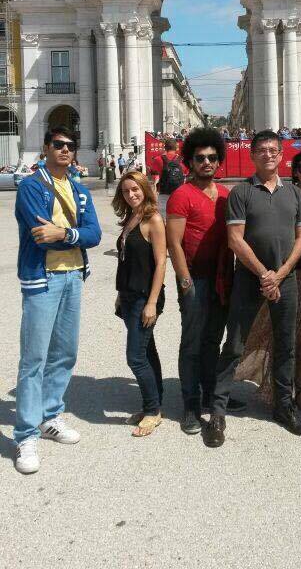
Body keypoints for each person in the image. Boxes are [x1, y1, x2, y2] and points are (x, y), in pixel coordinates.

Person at [203, 130, 301, 448]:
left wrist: (281, 273)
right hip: (250, 280)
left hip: (286, 280)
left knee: (286, 345)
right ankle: (217, 412)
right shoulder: (242, 192)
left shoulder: (295, 193)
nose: (268, 155)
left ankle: (283, 406)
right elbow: (235, 239)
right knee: (234, 345)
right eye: (261, 150)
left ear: (281, 155)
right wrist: (265, 275)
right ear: (252, 155)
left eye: (273, 150)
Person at [13, 126, 101, 474]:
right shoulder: (31, 186)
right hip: (43, 278)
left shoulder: (79, 190)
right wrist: (72, 235)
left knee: (65, 352)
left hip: (73, 276)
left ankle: (50, 416)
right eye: (59, 144)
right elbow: (40, 235)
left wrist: (63, 232)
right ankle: (25, 434)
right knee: (34, 358)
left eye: (70, 145)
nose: (66, 149)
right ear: (46, 148)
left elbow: (94, 234)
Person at [166, 128, 243, 435]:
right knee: (192, 342)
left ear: (219, 160)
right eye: (200, 158)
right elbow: (174, 244)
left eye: (212, 157)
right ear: (190, 161)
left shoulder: (225, 195)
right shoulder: (181, 195)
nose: (207, 162)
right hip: (194, 279)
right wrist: (185, 282)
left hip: (222, 278)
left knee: (213, 339)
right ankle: (190, 403)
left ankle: (212, 394)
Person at [235, 149, 301, 413]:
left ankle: (298, 387)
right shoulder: (288, 195)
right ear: (295, 171)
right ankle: (272, 387)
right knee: (272, 334)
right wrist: (272, 275)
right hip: (282, 275)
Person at [112, 172, 167, 438]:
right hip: (129, 296)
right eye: (126, 191)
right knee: (147, 351)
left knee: (135, 356)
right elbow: (126, 260)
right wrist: (120, 293)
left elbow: (161, 263)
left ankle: (152, 410)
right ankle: (155, 402)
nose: (131, 194)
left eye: (135, 189)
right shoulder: (131, 217)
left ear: (145, 189)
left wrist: (152, 303)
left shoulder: (152, 218)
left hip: (145, 298)